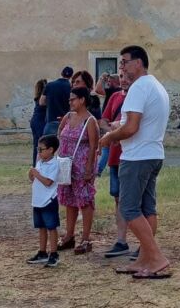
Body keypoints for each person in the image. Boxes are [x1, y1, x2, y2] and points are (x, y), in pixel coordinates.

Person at [99, 45, 171, 280]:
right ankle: (144, 259)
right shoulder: (156, 86)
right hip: (153, 153)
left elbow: (131, 127)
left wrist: (109, 137)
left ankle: (156, 257)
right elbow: (139, 123)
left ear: (138, 63)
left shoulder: (139, 87)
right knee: (147, 208)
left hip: (137, 157)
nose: (122, 67)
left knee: (129, 208)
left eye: (125, 62)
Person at [55, 85, 98, 254]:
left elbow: (94, 145)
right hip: (67, 166)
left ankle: (86, 238)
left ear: (82, 100)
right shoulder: (68, 116)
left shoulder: (90, 121)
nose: (70, 102)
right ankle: (69, 235)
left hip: (82, 166)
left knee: (85, 201)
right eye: (70, 99)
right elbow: (60, 135)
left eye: (73, 99)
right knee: (70, 200)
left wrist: (89, 169)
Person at [99, 70, 131, 258]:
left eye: (126, 76)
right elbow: (103, 120)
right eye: (121, 77)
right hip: (115, 156)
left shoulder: (139, 97)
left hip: (132, 156)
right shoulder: (115, 97)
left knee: (138, 200)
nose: (124, 80)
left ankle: (144, 243)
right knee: (118, 199)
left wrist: (119, 130)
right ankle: (121, 240)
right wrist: (112, 130)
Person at [27, 134, 61, 268]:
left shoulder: (55, 164)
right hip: (38, 200)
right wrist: (31, 174)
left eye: (41, 149)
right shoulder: (39, 162)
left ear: (51, 150)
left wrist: (36, 174)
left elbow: (48, 182)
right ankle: (42, 252)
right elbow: (33, 179)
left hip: (49, 200)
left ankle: (54, 253)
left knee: (51, 227)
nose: (39, 152)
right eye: (38, 149)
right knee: (41, 227)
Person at [95, 72, 121, 175]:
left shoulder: (113, 91)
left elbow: (97, 89)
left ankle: (98, 170)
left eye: (110, 82)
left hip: (110, 123)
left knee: (106, 148)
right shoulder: (118, 91)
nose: (108, 83)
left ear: (115, 82)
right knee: (107, 148)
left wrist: (101, 78)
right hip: (113, 123)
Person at [40, 66, 73, 136]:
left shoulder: (49, 85)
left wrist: (51, 103)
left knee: (48, 145)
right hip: (66, 122)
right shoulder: (71, 87)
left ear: (61, 73)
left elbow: (41, 102)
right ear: (71, 76)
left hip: (51, 121)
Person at [30, 79, 47, 165]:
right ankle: (38, 164)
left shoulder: (38, 97)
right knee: (41, 144)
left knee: (37, 144)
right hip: (39, 121)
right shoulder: (43, 98)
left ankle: (35, 164)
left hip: (35, 121)